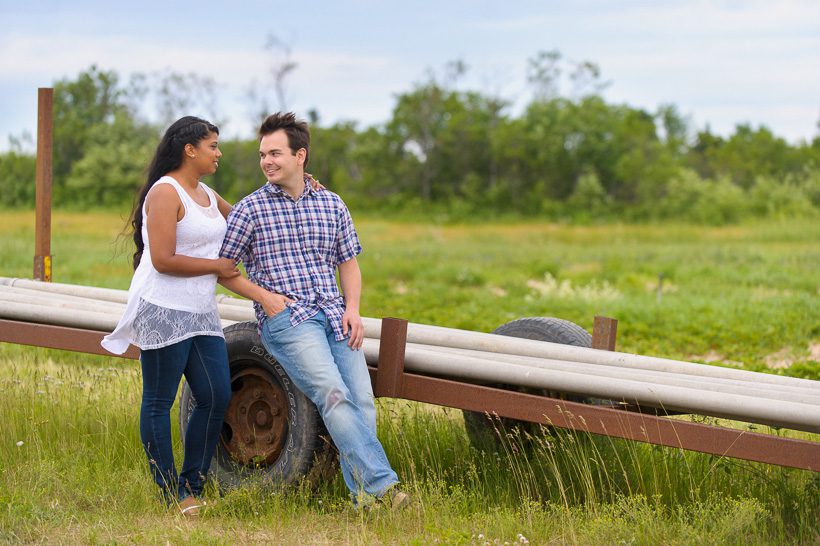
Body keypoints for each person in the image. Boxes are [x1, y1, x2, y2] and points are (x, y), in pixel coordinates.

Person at [219, 112, 409, 510]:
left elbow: (349, 262)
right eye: (262, 154)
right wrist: (265, 298)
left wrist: (353, 309)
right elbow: (224, 270)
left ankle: (362, 500)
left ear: (300, 155)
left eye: (275, 153)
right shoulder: (250, 210)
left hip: (335, 315)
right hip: (289, 321)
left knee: (362, 400)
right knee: (334, 395)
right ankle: (384, 489)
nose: (266, 161)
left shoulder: (331, 203)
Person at [102, 116, 238, 517]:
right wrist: (217, 266)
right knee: (159, 402)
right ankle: (170, 493)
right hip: (162, 309)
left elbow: (251, 216)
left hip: (200, 313)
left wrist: (298, 186)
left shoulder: (207, 194)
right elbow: (161, 260)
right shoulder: (165, 193)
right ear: (189, 150)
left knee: (216, 396)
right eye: (212, 145)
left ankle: (192, 483)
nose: (218, 152)